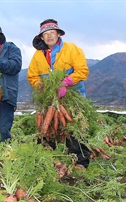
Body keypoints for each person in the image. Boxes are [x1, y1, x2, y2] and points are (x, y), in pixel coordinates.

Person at [27, 19, 91, 169]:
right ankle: (46, 160)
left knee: (73, 129)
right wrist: (40, 86)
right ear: (41, 37)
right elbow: (32, 76)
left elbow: (82, 70)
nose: (49, 36)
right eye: (46, 34)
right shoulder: (38, 55)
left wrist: (66, 82)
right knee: (47, 127)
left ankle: (81, 162)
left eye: (52, 33)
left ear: (58, 34)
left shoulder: (71, 49)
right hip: (48, 99)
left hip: (71, 95)